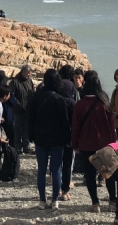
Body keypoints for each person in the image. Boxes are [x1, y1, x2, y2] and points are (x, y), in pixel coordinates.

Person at [71, 70, 116, 213]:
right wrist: (113, 144)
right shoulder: (105, 103)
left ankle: (95, 203)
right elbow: (111, 126)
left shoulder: (80, 104)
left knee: (89, 175)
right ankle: (113, 201)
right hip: (104, 144)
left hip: (86, 144)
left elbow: (75, 127)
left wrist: (75, 144)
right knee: (108, 173)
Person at [29, 69, 71, 211]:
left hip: (40, 138)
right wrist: (67, 138)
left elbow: (31, 118)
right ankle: (55, 201)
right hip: (57, 139)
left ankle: (42, 200)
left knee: (41, 170)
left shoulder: (36, 97)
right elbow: (64, 122)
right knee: (56, 170)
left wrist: (31, 136)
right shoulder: (59, 99)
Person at [57, 64, 78, 200]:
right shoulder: (72, 102)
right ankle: (65, 190)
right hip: (69, 135)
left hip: (56, 134)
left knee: (56, 163)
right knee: (68, 164)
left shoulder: (56, 98)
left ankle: (57, 188)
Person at [9, 64, 35, 154]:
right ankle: (17, 147)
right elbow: (11, 96)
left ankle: (26, 146)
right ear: (23, 72)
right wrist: (19, 106)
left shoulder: (30, 81)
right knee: (17, 129)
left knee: (26, 129)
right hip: (17, 111)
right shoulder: (14, 82)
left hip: (27, 110)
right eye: (28, 72)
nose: (29, 74)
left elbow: (32, 93)